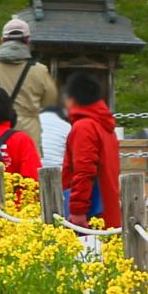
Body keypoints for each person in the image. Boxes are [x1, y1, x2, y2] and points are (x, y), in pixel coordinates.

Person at [59, 70, 123, 229]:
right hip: (108, 210)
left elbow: (84, 170)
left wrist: (77, 210)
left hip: (92, 216)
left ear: (72, 99)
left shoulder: (84, 127)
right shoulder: (105, 126)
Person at [0, 17, 55, 142]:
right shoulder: (40, 70)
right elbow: (49, 101)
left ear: (2, 41)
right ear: (28, 41)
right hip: (27, 132)